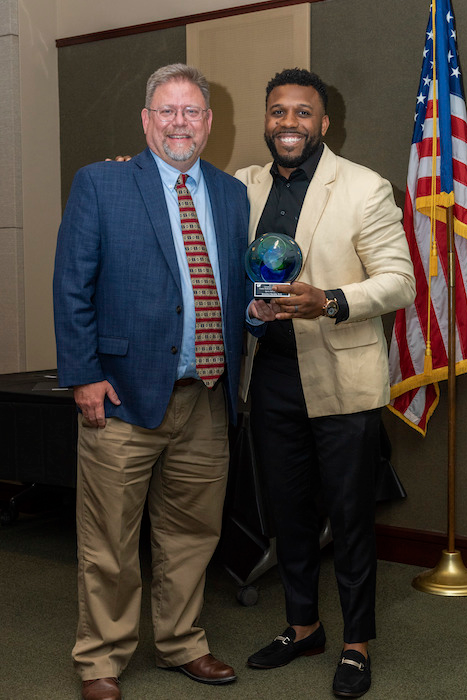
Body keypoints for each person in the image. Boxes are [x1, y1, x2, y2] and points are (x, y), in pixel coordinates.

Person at [53, 63, 249, 700]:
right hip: (121, 397)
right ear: (145, 120)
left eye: (192, 112)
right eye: (167, 111)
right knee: (109, 538)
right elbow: (71, 286)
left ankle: (182, 643)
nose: (179, 123)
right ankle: (102, 659)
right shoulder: (102, 183)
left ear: (209, 123)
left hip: (207, 396)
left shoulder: (229, 194)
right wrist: (83, 375)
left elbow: (231, 286)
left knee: (193, 533)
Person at [235, 68, 416, 698]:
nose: (289, 123)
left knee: (348, 517)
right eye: (278, 111)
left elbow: (399, 281)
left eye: (303, 113)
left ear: (324, 122)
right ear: (267, 118)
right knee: (287, 512)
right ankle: (302, 624)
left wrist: (330, 300)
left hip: (341, 376)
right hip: (271, 377)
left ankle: (356, 643)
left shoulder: (364, 187)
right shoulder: (242, 187)